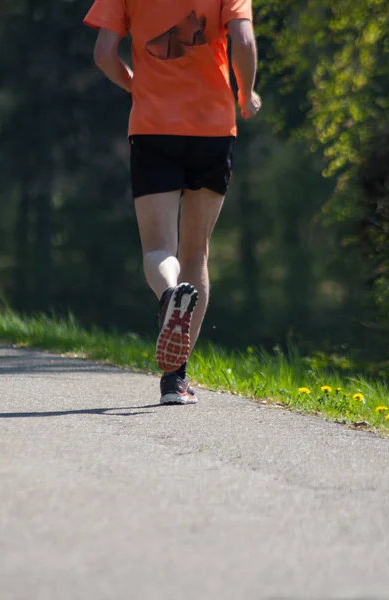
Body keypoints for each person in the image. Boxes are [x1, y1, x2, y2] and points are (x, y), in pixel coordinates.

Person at [84, 0, 261, 405]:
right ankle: (175, 381)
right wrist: (247, 93)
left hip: (153, 128)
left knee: (159, 249)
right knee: (196, 251)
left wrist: (136, 86)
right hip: (214, 128)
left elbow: (103, 54)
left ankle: (169, 294)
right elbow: (244, 39)